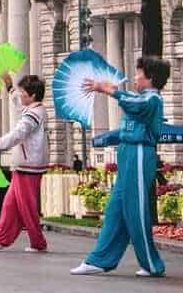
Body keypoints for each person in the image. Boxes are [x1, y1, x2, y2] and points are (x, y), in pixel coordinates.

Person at [71, 56, 170, 278]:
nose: (135, 77)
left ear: (150, 78)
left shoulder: (153, 99)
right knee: (115, 209)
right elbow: (130, 115)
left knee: (135, 210)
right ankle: (99, 260)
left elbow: (136, 105)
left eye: (138, 74)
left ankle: (152, 264)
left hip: (139, 154)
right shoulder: (141, 98)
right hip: (128, 153)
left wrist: (108, 90)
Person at [0, 72, 49, 253]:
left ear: (32, 96)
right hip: (26, 165)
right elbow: (18, 104)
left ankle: (37, 242)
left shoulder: (33, 115)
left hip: (28, 166)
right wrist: (9, 87)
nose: (21, 95)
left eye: (24, 92)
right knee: (10, 205)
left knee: (27, 208)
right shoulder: (34, 110)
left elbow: (17, 135)